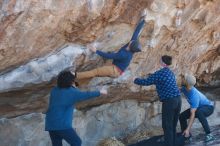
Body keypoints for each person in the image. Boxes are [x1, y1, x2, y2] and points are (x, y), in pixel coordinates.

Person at [75, 10, 148, 85]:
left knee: (95, 72)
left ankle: (74, 75)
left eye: (131, 42)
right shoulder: (131, 47)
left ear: (130, 46)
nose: (131, 41)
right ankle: (77, 83)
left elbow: (109, 56)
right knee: (96, 74)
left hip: (115, 71)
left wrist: (96, 51)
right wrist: (143, 20)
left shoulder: (124, 54)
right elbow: (136, 32)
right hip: (116, 69)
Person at [45, 70, 107, 146]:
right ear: (71, 82)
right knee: (77, 142)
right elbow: (86, 94)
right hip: (62, 125)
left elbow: (70, 90)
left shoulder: (54, 90)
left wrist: (73, 84)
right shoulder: (72, 93)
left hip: (50, 124)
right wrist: (100, 92)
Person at [134, 55, 181, 146]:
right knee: (173, 125)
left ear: (163, 63)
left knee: (167, 126)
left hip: (170, 101)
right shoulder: (170, 72)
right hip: (178, 100)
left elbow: (146, 82)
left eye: (159, 60)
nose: (158, 61)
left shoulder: (160, 73)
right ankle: (174, 143)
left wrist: (135, 80)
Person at [179, 74, 215, 143]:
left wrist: (188, 129)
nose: (183, 79)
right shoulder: (185, 87)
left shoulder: (194, 95)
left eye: (185, 79)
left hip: (209, 108)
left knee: (198, 112)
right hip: (199, 108)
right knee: (181, 116)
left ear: (186, 82)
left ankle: (209, 134)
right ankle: (187, 135)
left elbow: (193, 114)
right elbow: (178, 90)